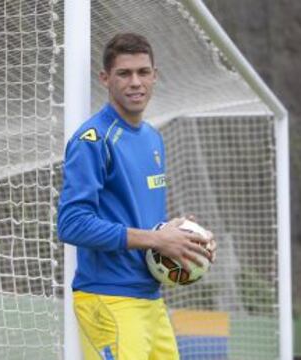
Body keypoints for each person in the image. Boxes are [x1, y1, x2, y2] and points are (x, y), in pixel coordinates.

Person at [57, 32, 216, 360]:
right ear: (105, 79)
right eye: (124, 73)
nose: (135, 82)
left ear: (155, 76)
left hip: (151, 300)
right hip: (108, 300)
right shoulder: (92, 140)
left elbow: (142, 221)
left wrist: (175, 232)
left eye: (143, 72)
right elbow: (71, 225)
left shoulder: (153, 138)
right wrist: (156, 240)